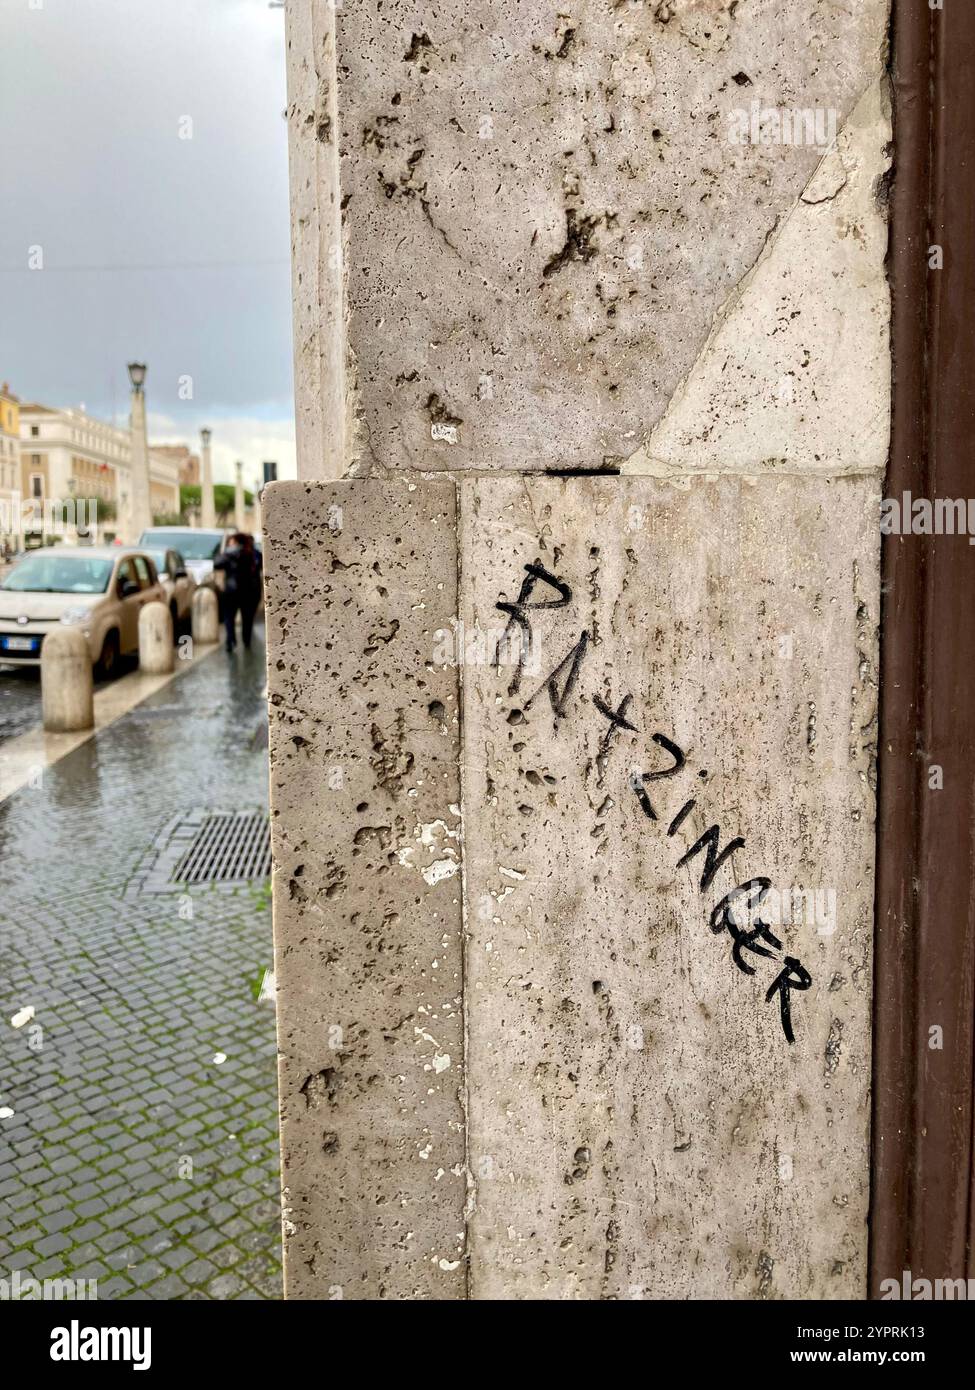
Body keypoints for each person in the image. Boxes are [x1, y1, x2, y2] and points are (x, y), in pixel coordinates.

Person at [213, 532, 263, 653]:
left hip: (231, 590)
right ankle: (246, 641)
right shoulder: (253, 553)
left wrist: (224, 552)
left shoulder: (229, 553)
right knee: (247, 619)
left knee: (229, 617)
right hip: (248, 591)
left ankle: (230, 640)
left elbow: (217, 564)